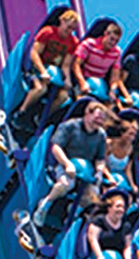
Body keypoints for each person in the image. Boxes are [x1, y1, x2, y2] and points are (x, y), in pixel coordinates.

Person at [29, 98, 107, 237]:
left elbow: (100, 159)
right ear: (87, 114)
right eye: (97, 117)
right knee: (65, 184)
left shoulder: (101, 135)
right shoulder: (70, 126)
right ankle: (45, 205)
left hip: (86, 171)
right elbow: (56, 147)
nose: (99, 121)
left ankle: (73, 211)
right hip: (64, 164)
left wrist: (99, 171)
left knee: (93, 195)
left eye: (101, 119)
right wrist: (67, 164)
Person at [7, 6, 79, 139]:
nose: (69, 31)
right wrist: (42, 71)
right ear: (61, 21)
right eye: (68, 27)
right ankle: (21, 113)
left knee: (64, 97)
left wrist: (67, 81)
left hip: (54, 73)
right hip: (38, 68)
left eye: (72, 30)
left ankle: (42, 117)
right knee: (40, 88)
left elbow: (66, 64)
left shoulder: (73, 42)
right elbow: (34, 53)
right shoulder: (48, 32)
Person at [69, 17, 123, 102]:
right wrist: (82, 82)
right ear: (105, 34)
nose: (112, 43)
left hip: (100, 85)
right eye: (111, 39)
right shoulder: (89, 44)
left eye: (116, 41)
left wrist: (112, 90)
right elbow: (76, 65)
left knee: (110, 105)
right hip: (84, 80)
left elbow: (115, 76)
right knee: (82, 100)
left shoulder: (116, 52)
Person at [100, 109, 139, 196]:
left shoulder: (131, 148)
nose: (132, 138)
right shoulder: (109, 144)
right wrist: (109, 177)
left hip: (121, 178)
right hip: (106, 176)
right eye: (130, 134)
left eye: (134, 135)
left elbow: (127, 169)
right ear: (122, 133)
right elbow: (102, 163)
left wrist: (132, 184)